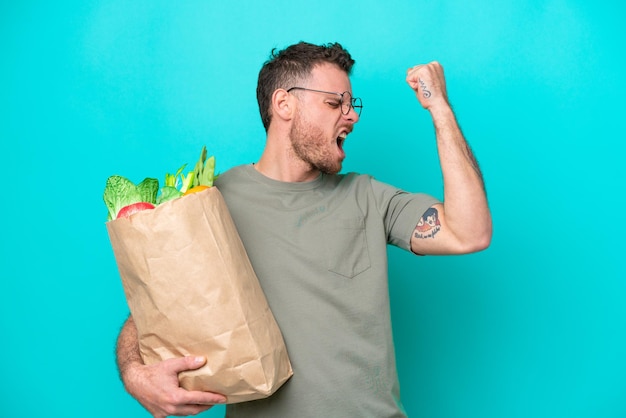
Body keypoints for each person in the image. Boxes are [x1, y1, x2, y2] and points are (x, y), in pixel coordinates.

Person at [115, 41, 492, 417]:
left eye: (351, 105)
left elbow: (469, 232)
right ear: (284, 105)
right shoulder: (216, 202)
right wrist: (135, 375)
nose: (351, 116)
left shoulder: (369, 198)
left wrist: (439, 109)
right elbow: (157, 310)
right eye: (334, 103)